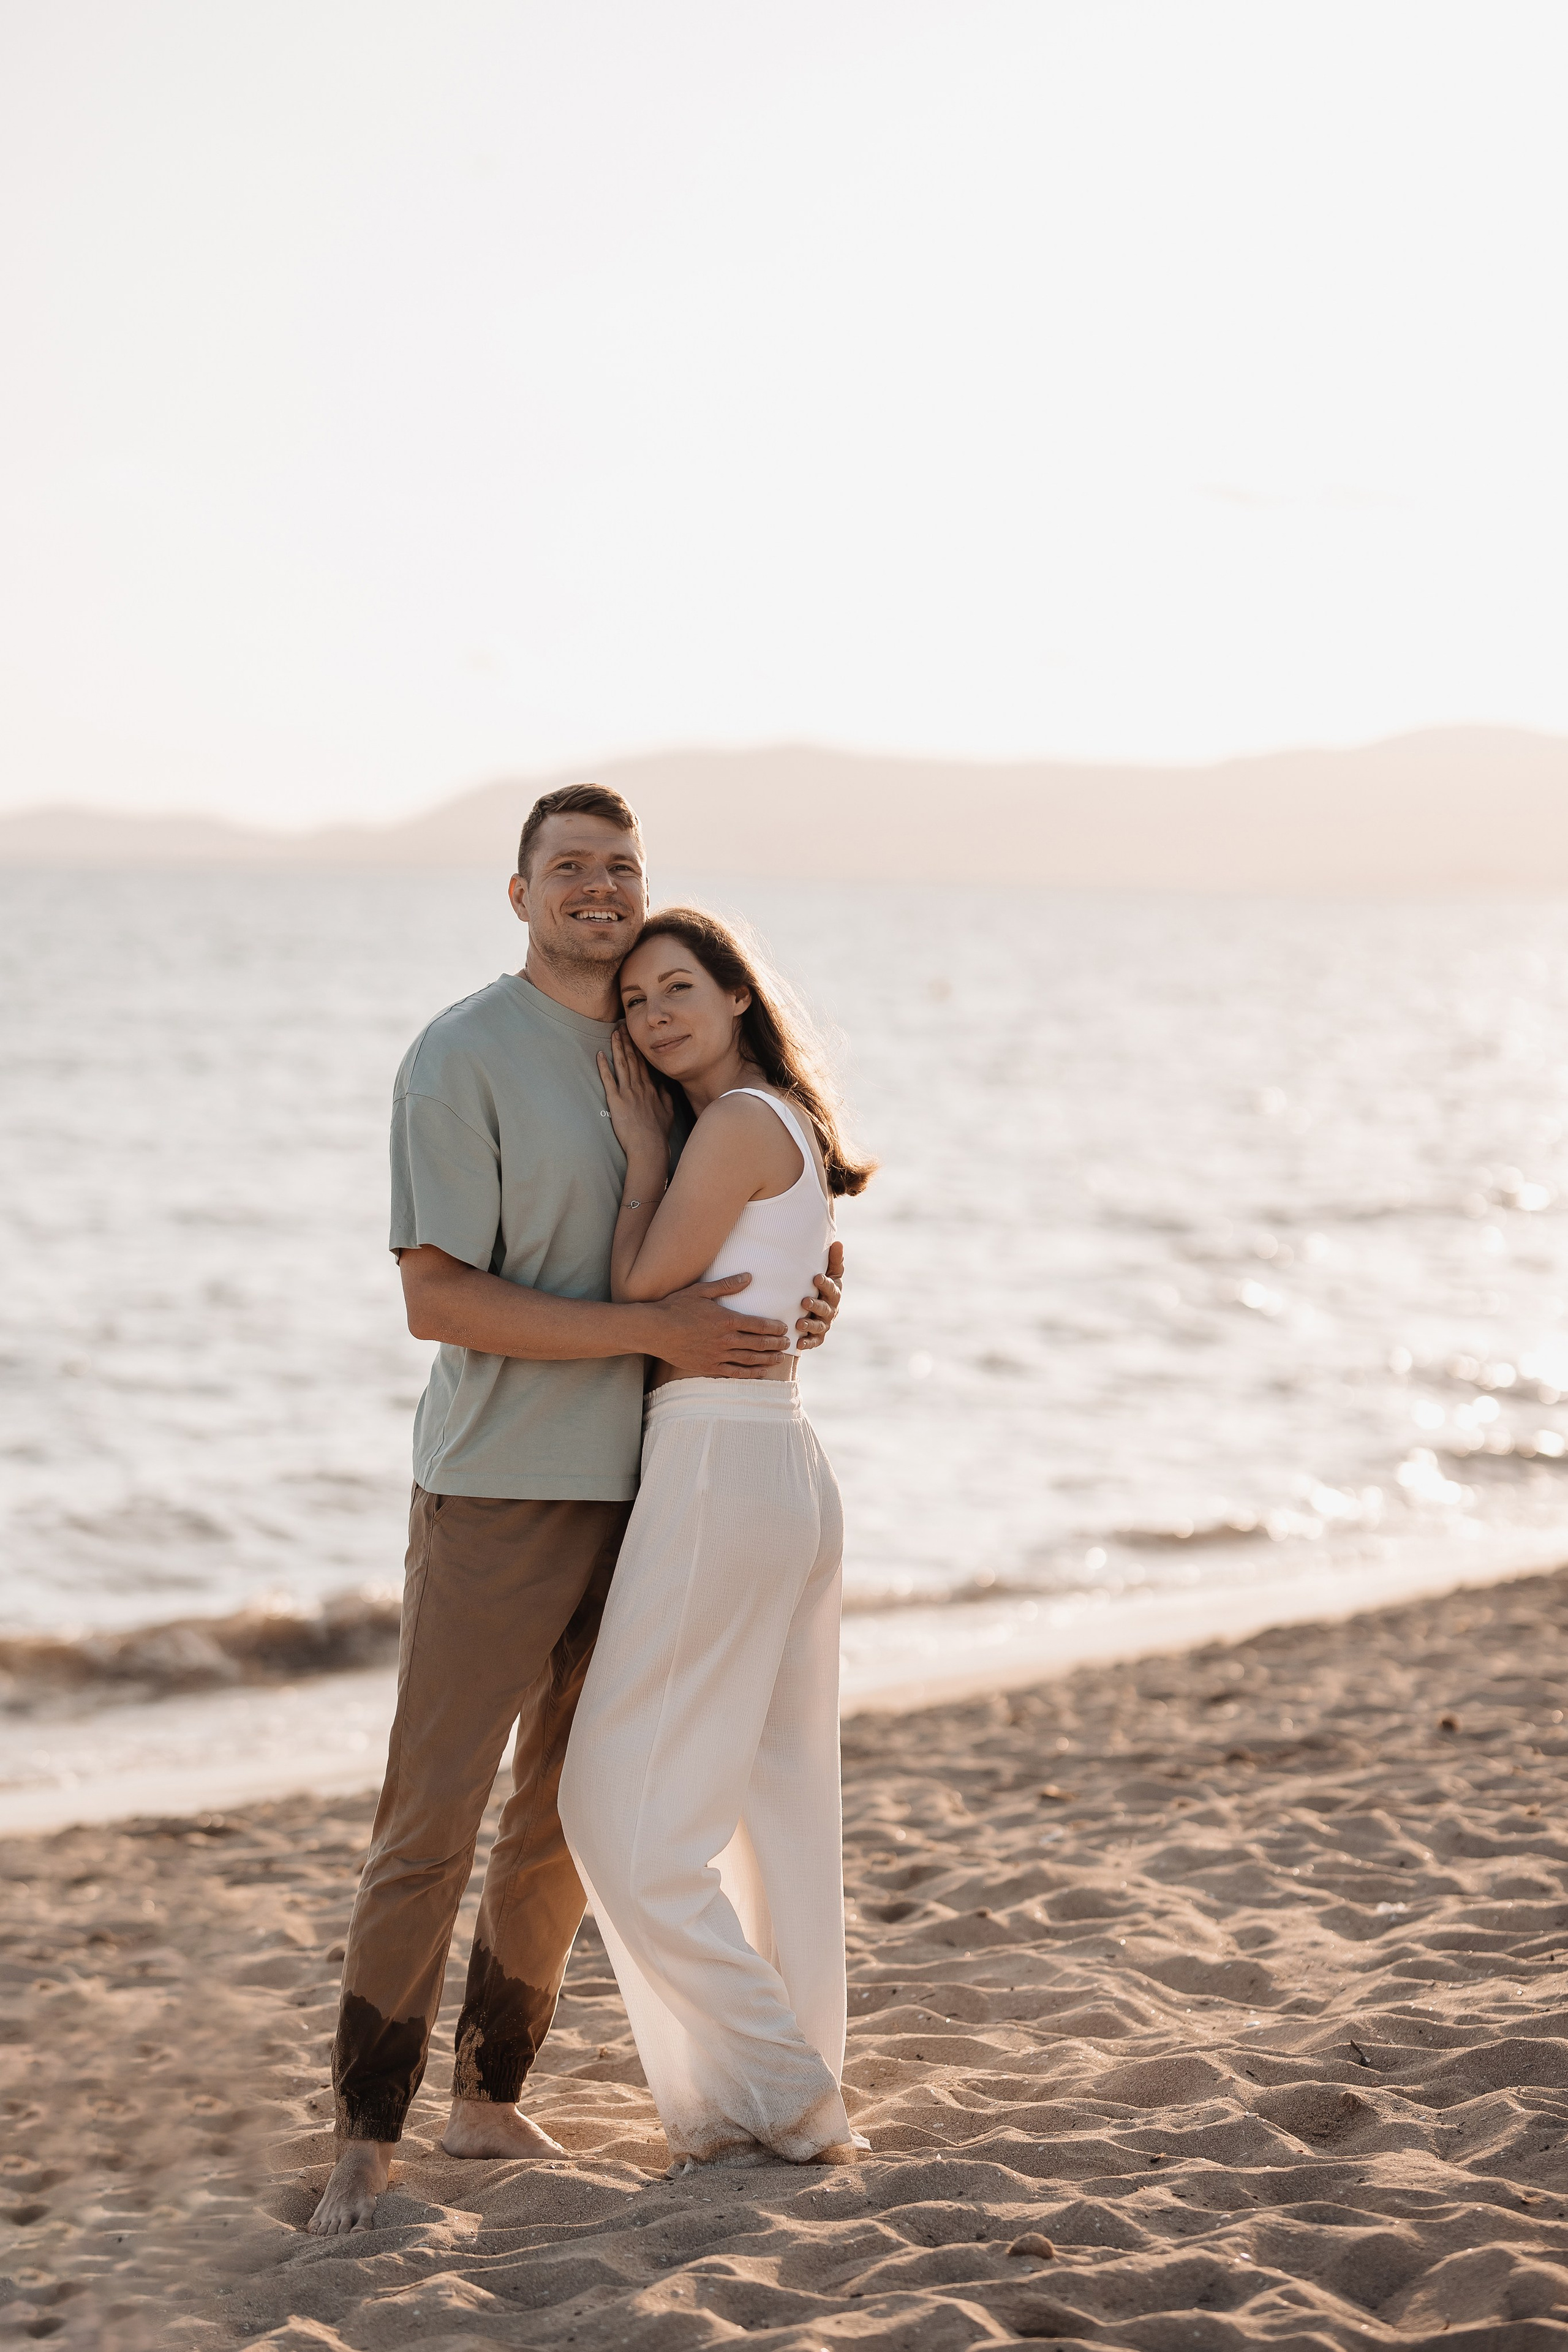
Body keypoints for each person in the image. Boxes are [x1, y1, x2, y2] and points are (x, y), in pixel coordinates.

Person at [308, 788, 843, 2236]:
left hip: (661, 1483)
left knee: (558, 1808)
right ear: (520, 893)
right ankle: (366, 2134)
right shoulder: (461, 1055)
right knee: (432, 1813)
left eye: (621, 868)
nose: (599, 892)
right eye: (570, 871)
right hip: (499, 1481)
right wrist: (653, 1336)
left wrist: (801, 1297)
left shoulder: (657, 1051)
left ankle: (489, 2101)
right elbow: (435, 1297)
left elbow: (738, 1227)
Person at [559, 905, 875, 2171]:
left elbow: (639, 1291)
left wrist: (640, 1153)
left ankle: (783, 2089)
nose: (653, 1015)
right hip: (778, 1457)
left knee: (616, 1815)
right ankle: (779, 2086)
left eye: (676, 987)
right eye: (633, 1003)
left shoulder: (732, 1126)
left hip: (719, 1462)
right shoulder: (778, 1128)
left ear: (739, 995)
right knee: (777, 1805)